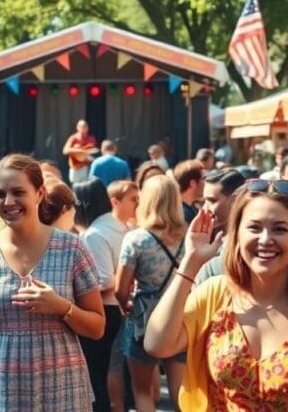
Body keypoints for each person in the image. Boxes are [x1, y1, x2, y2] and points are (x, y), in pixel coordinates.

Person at [144, 179, 288, 411]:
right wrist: (189, 264)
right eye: (254, 228)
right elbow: (157, 345)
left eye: (280, 229)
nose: (265, 239)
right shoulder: (214, 294)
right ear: (237, 235)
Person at [0, 153, 105, 411]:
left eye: (18, 192)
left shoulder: (72, 248)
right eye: (0, 194)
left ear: (39, 193)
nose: (8, 202)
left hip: (60, 383)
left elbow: (97, 327)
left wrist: (62, 307)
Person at [115, 175, 187, 411]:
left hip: (144, 318)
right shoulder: (189, 237)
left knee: (143, 392)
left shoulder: (136, 239)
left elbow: (120, 289)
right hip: (180, 315)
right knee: (181, 392)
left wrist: (126, 306)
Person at [87, 180, 139, 412]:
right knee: (112, 369)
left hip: (124, 309)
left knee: (120, 368)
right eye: (133, 199)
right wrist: (126, 277)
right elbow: (102, 280)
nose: (138, 204)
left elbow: (105, 279)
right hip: (111, 310)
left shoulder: (128, 228)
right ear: (115, 202)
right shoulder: (99, 233)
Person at [73, 177, 122, 411]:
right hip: (115, 309)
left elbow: (105, 278)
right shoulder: (117, 225)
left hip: (103, 309)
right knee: (104, 374)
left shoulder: (94, 234)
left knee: (96, 379)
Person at [194, 167, 247, 284]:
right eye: (204, 201)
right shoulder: (202, 238)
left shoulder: (247, 245)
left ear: (236, 200)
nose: (205, 208)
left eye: (212, 201)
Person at [63, 120, 98, 184]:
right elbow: (65, 150)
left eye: (85, 126)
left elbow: (92, 151)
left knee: (86, 186)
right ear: (77, 128)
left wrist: (86, 154)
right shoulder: (73, 138)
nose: (83, 128)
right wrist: (80, 150)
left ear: (88, 128)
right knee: (75, 187)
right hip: (75, 168)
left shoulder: (91, 139)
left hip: (86, 168)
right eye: (81, 127)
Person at [173, 159, 204, 224]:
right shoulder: (182, 214)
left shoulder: (193, 208)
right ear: (192, 183)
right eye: (203, 179)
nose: (205, 183)